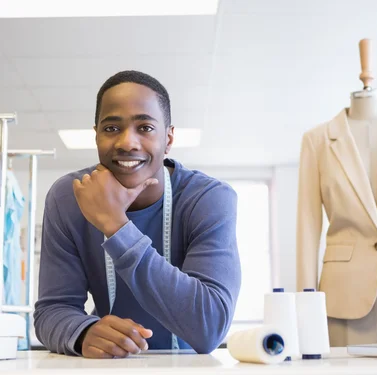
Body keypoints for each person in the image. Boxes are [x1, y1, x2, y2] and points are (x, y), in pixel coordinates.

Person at [34, 70, 241, 358]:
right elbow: (52, 311)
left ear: (168, 139)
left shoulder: (208, 198)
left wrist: (116, 225)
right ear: (96, 136)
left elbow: (209, 327)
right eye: (111, 128)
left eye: (145, 128)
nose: (127, 142)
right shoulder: (68, 198)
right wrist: (83, 333)